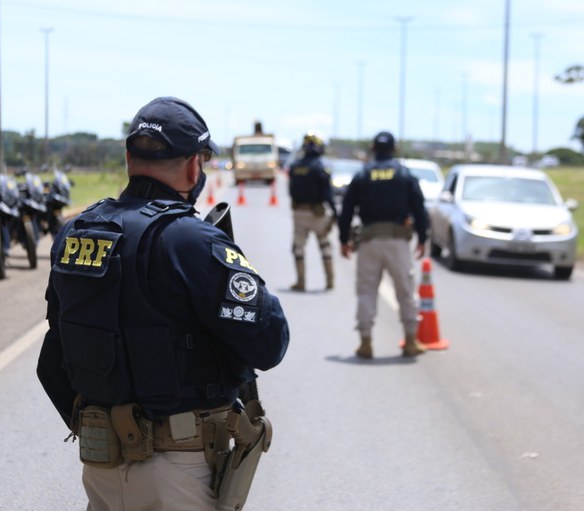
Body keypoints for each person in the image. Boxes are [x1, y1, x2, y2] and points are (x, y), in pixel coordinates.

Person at [36, 96, 290, 510]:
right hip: (178, 469)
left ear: (128, 158)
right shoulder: (191, 240)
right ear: (194, 165)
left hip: (100, 465)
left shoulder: (78, 230)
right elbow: (270, 342)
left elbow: (57, 348)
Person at [337, 131, 429, 359]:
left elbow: (347, 209)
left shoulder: (363, 174)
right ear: (394, 149)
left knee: (366, 291)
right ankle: (410, 341)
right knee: (405, 291)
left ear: (373, 148)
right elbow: (419, 207)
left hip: (369, 242)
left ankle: (365, 343)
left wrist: (343, 240)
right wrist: (423, 237)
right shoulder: (404, 174)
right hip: (398, 242)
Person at [287, 131, 338, 291]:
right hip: (317, 214)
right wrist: (335, 212)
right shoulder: (321, 167)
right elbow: (327, 193)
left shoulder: (295, 166)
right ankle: (330, 281)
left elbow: (291, 190)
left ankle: (301, 282)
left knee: (298, 248)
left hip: (299, 213)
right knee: (325, 246)